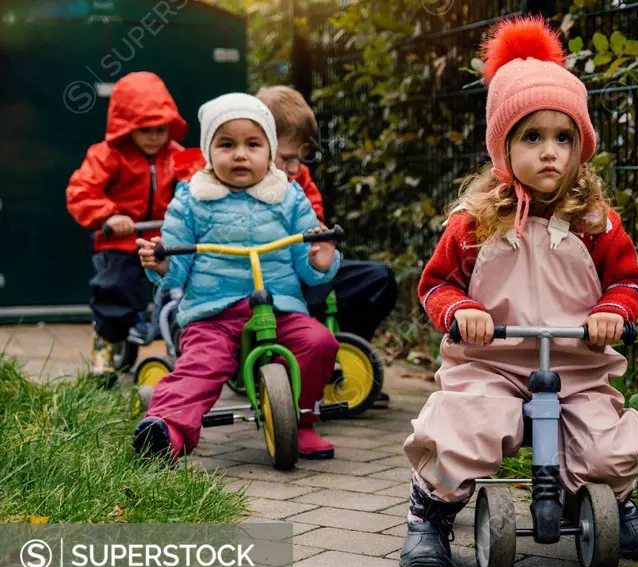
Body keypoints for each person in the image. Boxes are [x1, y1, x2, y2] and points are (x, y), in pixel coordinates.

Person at [399, 17, 638, 567]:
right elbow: (437, 285)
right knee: (463, 426)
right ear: (504, 147)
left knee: (604, 445)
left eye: (563, 138)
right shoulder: (474, 224)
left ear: (580, 146)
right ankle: (432, 512)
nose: (550, 152)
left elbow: (628, 280)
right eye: (532, 137)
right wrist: (462, 311)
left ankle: (611, 501)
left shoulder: (597, 223)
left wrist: (614, 312)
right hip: (492, 361)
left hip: (575, 363)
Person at [132, 93, 341, 463]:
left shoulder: (288, 197)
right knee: (201, 364)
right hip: (214, 311)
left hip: (280, 307)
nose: (240, 154)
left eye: (253, 144)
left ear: (270, 150)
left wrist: (321, 259)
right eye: (226, 145)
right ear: (208, 151)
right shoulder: (192, 198)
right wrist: (162, 262)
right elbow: (176, 262)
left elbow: (307, 263)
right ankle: (167, 430)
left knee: (319, 342)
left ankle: (303, 418)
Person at [255, 85, 397, 408]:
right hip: (269, 284)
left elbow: (313, 226)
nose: (294, 168)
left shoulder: (299, 180)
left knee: (379, 280)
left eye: (299, 158)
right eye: (287, 158)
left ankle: (340, 358)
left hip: (307, 273)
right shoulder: (239, 188)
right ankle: (291, 366)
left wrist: (318, 241)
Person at [66, 71, 187, 377]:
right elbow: (81, 191)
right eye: (145, 129)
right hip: (121, 239)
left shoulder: (177, 155)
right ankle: (106, 345)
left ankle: (194, 345)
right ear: (126, 127)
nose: (155, 136)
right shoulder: (107, 155)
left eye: (162, 128)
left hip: (164, 239)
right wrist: (109, 216)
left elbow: (197, 185)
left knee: (187, 285)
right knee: (114, 288)